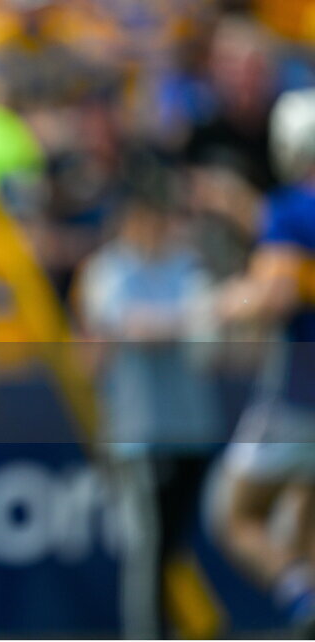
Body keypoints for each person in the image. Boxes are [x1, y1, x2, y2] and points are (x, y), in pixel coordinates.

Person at [78, 196, 223, 638]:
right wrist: (183, 321)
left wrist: (174, 323)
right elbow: (133, 328)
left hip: (192, 428)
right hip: (138, 431)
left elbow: (210, 333)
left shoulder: (188, 267)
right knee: (147, 544)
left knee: (172, 545)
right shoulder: (108, 269)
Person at [215, 87, 315, 638]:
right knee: (305, 511)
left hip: (302, 392)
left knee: (233, 513)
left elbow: (274, 295)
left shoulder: (291, 208)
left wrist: (224, 303)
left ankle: (300, 595)